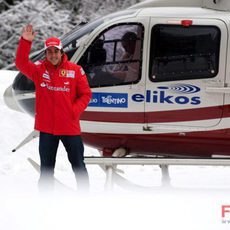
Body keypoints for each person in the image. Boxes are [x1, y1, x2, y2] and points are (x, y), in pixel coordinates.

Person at [15, 24, 92, 191]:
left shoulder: (75, 70)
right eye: (49, 52)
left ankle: (85, 199)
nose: (53, 55)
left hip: (70, 128)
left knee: (78, 166)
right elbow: (20, 63)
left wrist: (73, 111)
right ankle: (45, 202)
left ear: (61, 52)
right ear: (46, 54)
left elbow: (86, 94)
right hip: (47, 129)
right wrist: (25, 42)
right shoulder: (38, 70)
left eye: (56, 51)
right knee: (46, 169)